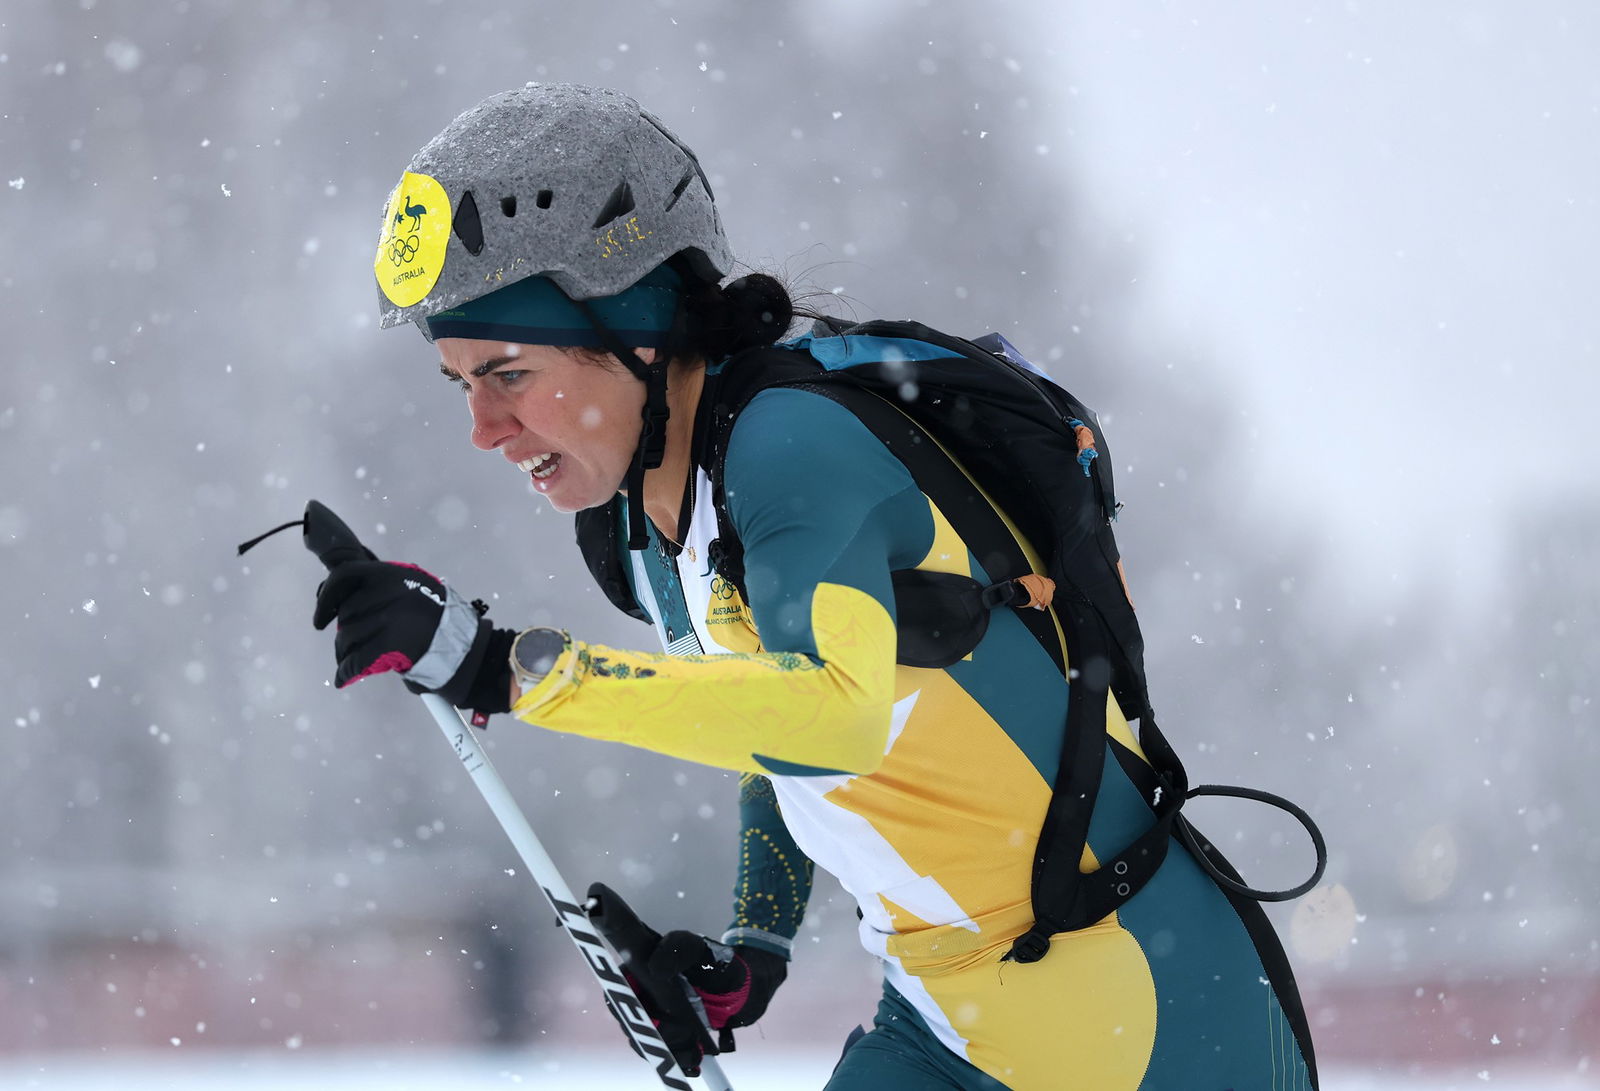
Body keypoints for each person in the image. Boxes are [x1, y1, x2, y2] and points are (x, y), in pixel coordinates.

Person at [317, 82, 1318, 1089]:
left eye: (507, 373)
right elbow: (781, 743)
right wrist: (750, 952)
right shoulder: (648, 523)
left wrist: (509, 670)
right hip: (942, 1021)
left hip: (1144, 1013)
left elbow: (835, 710)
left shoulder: (791, 447)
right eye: (460, 384)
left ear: (636, 327)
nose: (483, 430)